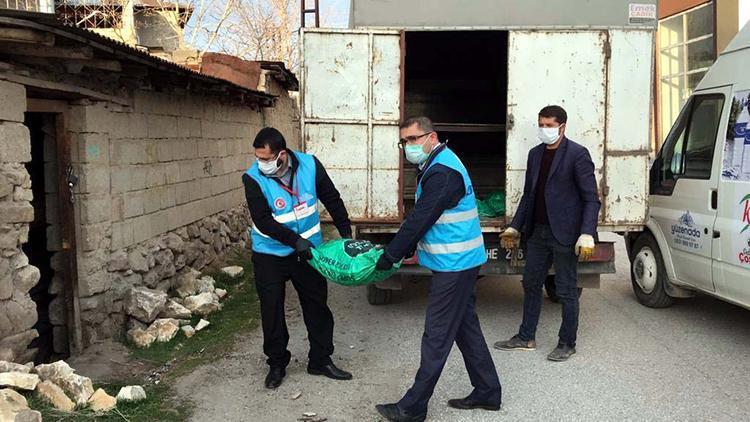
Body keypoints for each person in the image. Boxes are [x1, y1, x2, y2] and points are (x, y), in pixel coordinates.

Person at [374, 117, 502, 422]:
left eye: (414, 139)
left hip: (456, 266)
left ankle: (413, 406)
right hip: (459, 263)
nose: (409, 147)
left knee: (437, 334)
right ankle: (487, 391)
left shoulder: (442, 173)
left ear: (432, 137)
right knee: (464, 328)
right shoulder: (437, 164)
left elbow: (421, 218)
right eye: (404, 142)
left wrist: (392, 254)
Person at [242, 127, 353, 389]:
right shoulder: (252, 177)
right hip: (270, 255)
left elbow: (332, 198)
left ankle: (320, 360)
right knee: (272, 310)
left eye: (267, 158)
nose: (262, 164)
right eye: (258, 157)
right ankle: (277, 364)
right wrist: (295, 241)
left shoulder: (310, 165)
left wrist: (347, 234)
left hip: (309, 253)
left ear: (282, 154)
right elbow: (264, 221)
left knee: (317, 307)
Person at [494, 105, 600, 362]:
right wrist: (515, 226)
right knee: (531, 284)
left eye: (549, 125)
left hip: (565, 233)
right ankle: (525, 336)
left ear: (562, 127)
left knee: (565, 290)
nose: (544, 130)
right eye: (541, 124)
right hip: (538, 232)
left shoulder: (577, 154)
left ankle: (567, 343)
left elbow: (590, 198)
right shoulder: (535, 155)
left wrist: (587, 232)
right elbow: (529, 195)